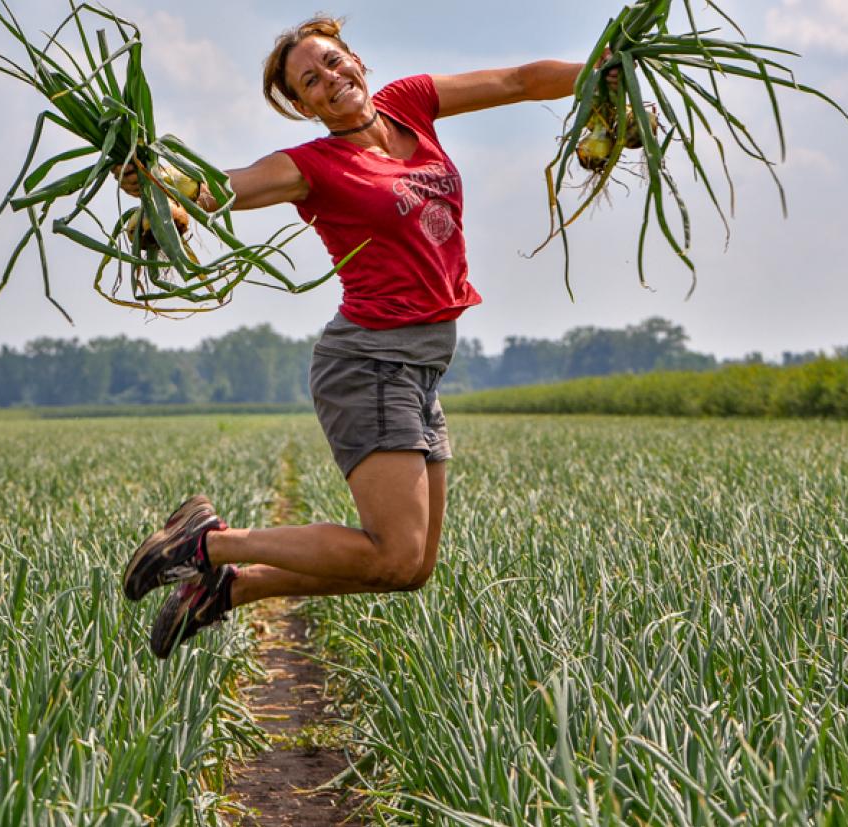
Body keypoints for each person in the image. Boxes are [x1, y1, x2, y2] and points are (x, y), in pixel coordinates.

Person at [120, 17, 586, 658]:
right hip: (370, 362)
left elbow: (519, 81)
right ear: (302, 105)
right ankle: (207, 544)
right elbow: (220, 190)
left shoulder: (411, 104)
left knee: (411, 567)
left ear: (357, 60)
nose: (331, 80)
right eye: (311, 81)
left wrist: (605, 72)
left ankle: (228, 589)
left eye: (334, 63)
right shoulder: (313, 166)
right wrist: (162, 188)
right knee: (391, 553)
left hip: (422, 366)